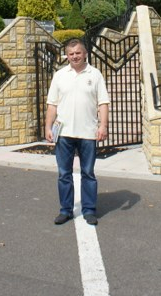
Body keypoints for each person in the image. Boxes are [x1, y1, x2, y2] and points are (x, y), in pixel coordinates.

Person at [45, 38, 110, 226]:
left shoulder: (95, 74)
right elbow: (52, 104)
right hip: (64, 133)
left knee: (88, 173)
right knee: (64, 174)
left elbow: (103, 103)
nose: (74, 56)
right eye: (71, 53)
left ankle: (89, 210)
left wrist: (103, 126)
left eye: (78, 53)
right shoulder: (60, 75)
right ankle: (65, 210)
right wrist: (48, 127)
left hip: (88, 133)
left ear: (85, 53)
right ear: (67, 55)